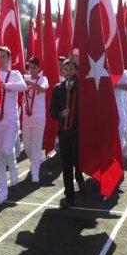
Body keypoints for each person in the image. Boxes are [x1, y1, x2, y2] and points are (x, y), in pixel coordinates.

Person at [0, 47, 26, 204]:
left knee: (7, 150)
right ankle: (2, 192)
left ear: (9, 59)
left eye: (3, 56)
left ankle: (14, 166)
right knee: (0, 158)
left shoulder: (15, 74)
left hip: (10, 120)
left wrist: (6, 86)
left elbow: (23, 86)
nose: (1, 59)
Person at [49, 59, 84, 209]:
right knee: (66, 164)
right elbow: (52, 111)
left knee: (77, 160)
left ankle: (80, 176)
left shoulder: (81, 88)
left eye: (71, 69)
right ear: (62, 71)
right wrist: (61, 113)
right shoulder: (58, 88)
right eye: (66, 69)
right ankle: (69, 196)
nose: (68, 72)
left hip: (78, 131)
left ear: (76, 71)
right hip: (64, 132)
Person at [21, 57, 49, 184]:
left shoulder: (43, 78)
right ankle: (35, 163)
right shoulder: (23, 78)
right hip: (26, 117)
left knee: (36, 145)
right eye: (30, 67)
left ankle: (35, 173)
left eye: (34, 68)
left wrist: (30, 83)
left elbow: (43, 88)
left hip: (38, 117)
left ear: (38, 68)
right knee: (26, 145)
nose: (32, 70)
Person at [114, 69, 127, 160]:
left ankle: (123, 146)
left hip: (120, 106)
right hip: (106, 107)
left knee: (122, 130)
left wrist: (115, 85)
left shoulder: (123, 72)